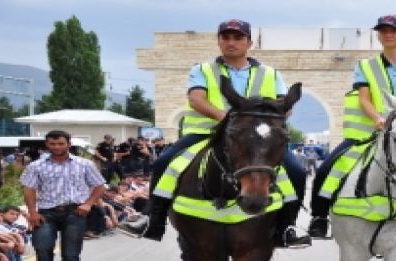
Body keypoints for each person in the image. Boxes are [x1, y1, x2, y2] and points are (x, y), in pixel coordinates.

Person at [119, 19, 310, 248]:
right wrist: (229, 121)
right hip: (204, 134)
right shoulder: (203, 69)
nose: (231, 42)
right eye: (226, 37)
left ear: (250, 42)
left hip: (254, 140)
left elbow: (284, 107)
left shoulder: (270, 73)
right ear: (219, 41)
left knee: (297, 171)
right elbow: (196, 99)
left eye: (238, 38)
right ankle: (153, 219)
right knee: (164, 162)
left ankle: (287, 228)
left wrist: (259, 124)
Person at [307, 14, 396, 239]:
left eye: (394, 30)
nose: (388, 34)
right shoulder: (365, 66)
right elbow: (364, 98)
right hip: (367, 133)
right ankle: (319, 217)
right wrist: (378, 119)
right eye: (383, 31)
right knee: (327, 168)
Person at [19, 130, 106, 261]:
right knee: (42, 247)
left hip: (75, 212)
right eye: (52, 144)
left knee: (71, 253)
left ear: (69, 144)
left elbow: (99, 185)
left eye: (60, 143)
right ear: (47, 144)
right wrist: (32, 213)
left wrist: (88, 204)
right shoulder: (36, 166)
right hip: (46, 213)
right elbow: (29, 190)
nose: (57, 147)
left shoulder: (84, 164)